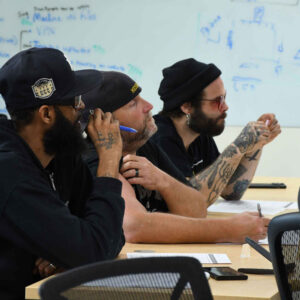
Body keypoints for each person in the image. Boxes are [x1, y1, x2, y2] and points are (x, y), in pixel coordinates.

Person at [82, 70, 270, 245]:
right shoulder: (97, 160)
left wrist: (162, 180)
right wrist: (229, 229)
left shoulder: (145, 147)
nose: (149, 106)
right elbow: (134, 227)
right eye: (133, 104)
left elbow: (197, 209)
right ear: (102, 121)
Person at [0, 48, 125, 300]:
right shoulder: (10, 173)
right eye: (76, 101)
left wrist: (66, 250)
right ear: (46, 114)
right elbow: (96, 248)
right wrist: (109, 161)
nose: (83, 110)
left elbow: (111, 235)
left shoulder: (61, 154)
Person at [152, 58, 281, 201]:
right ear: (187, 107)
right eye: (217, 101)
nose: (225, 107)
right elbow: (188, 202)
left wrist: (255, 144)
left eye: (224, 98)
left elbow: (230, 191)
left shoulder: (198, 132)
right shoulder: (160, 139)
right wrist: (237, 147)